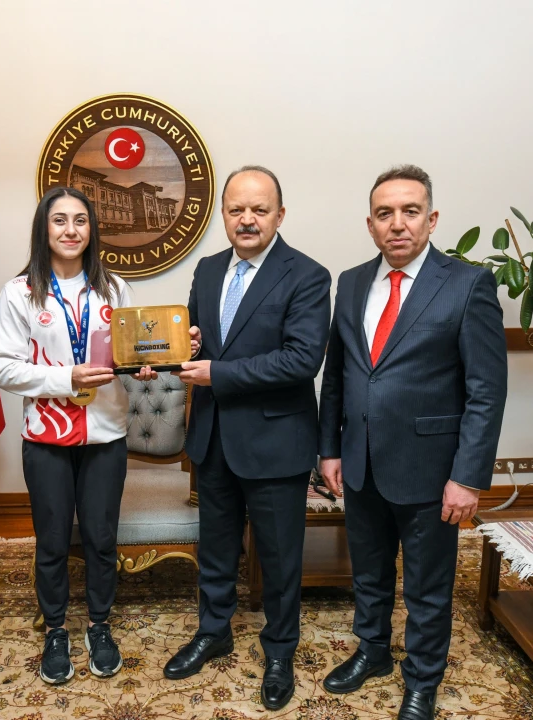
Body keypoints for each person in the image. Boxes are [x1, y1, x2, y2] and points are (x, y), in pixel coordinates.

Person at [318, 165, 507, 720]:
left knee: (427, 585)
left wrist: (467, 476)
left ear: (431, 218)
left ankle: (423, 679)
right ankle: (372, 651)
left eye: (410, 211)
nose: (397, 224)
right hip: (360, 462)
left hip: (431, 468)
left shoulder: (468, 284)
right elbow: (338, 375)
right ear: (370, 224)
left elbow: (486, 391)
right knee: (369, 572)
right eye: (385, 214)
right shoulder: (352, 282)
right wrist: (330, 448)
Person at [164, 166, 331, 711]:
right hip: (213, 438)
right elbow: (199, 339)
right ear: (224, 215)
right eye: (236, 209)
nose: (247, 219)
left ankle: (280, 651)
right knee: (215, 549)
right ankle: (213, 632)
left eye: (259, 209)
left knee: (279, 560)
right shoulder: (209, 269)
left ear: (280, 215)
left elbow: (301, 359)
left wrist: (217, 373)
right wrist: (186, 344)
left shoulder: (308, 275)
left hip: (276, 443)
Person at [0, 187, 155, 685]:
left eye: (80, 220)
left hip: (105, 435)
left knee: (102, 539)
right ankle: (56, 630)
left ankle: (100, 626)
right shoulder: (19, 292)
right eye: (59, 220)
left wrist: (144, 364)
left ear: (92, 230)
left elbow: (131, 351)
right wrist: (68, 378)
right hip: (46, 437)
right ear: (44, 229)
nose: (70, 229)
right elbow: (3, 367)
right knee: (53, 541)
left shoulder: (115, 288)